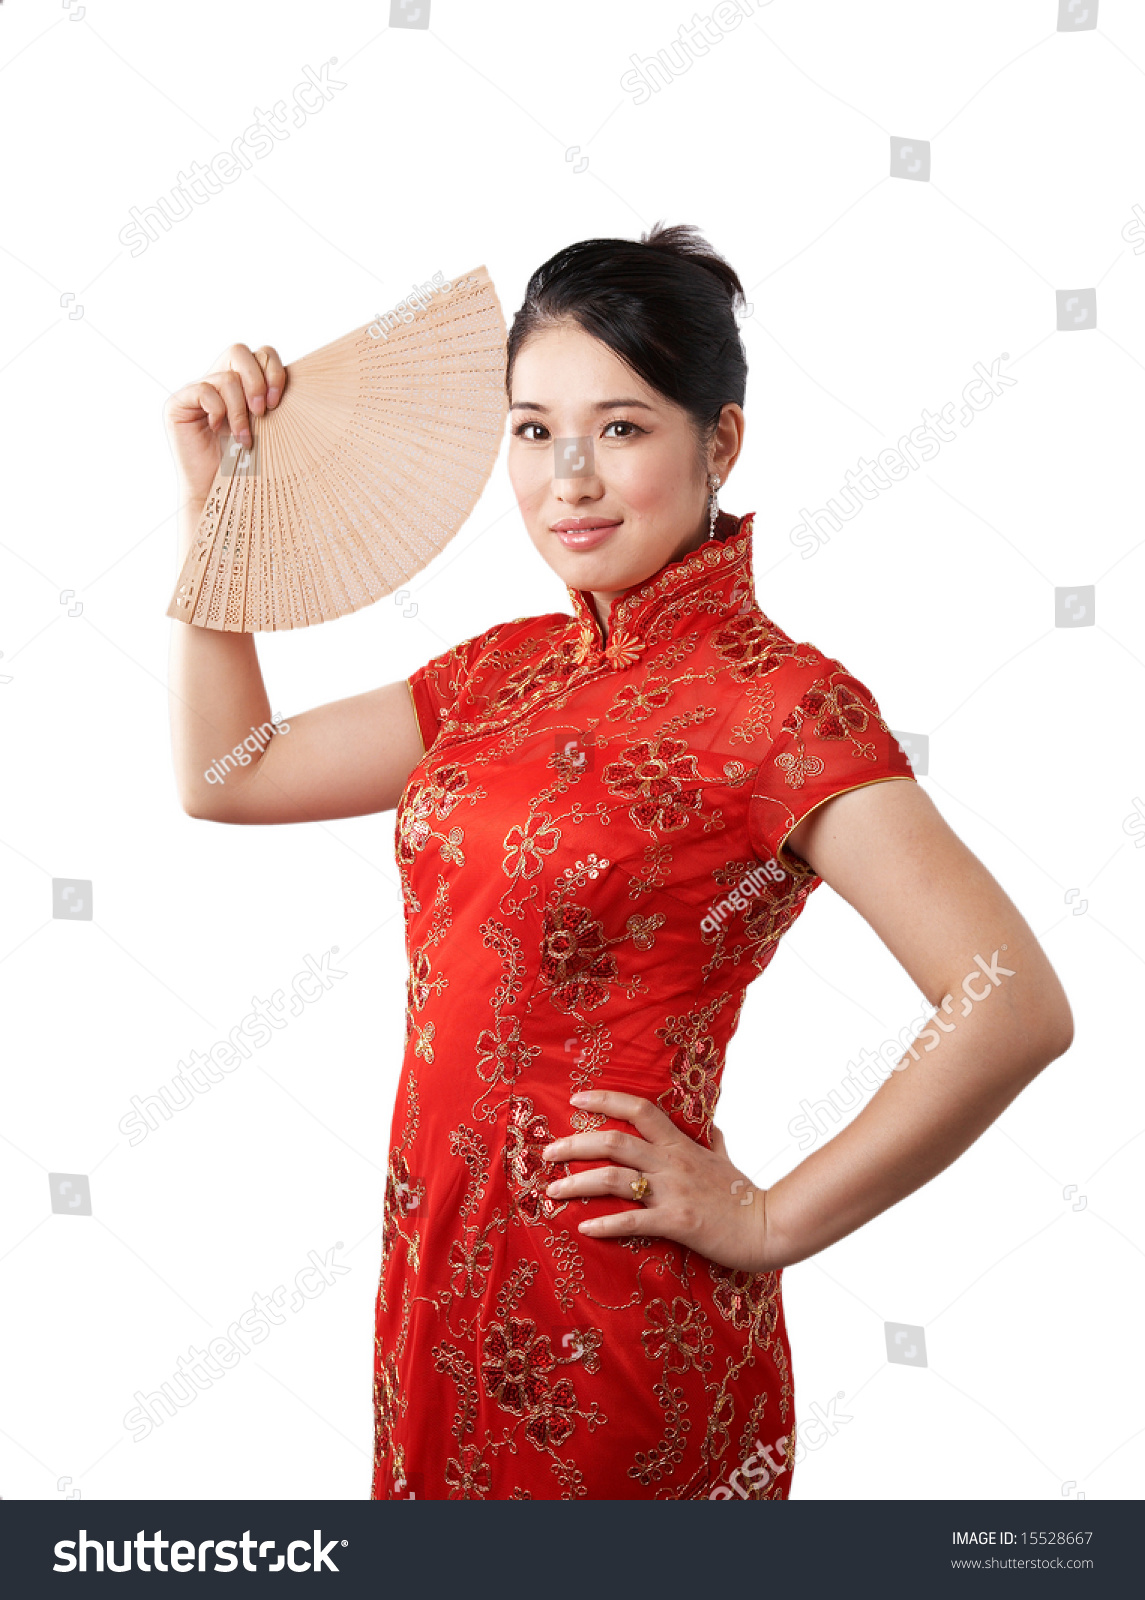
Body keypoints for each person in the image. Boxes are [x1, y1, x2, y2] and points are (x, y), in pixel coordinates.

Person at [166, 223, 1074, 1501]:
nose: (568, 479)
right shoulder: (502, 670)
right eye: (532, 431)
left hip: (610, 1313)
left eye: (622, 428)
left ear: (722, 441)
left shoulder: (780, 708)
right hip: (435, 1283)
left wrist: (767, 1220)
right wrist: (223, 511)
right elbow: (228, 775)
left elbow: (1010, 1001)